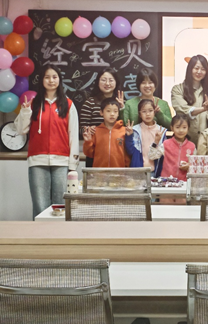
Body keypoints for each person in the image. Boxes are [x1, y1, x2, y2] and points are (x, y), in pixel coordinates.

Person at [14, 64, 79, 219]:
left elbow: (73, 135)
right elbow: (21, 130)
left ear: (59, 79)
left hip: (61, 161)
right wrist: (25, 112)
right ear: (41, 80)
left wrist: (72, 165)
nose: (51, 80)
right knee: (40, 206)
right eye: (47, 77)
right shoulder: (33, 103)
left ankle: (60, 234)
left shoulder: (68, 104)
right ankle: (39, 234)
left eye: (54, 77)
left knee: (60, 205)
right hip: (37, 160)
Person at [80, 68, 124, 167]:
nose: (107, 83)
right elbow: (81, 128)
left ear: (116, 82)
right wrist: (88, 129)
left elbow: (124, 126)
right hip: (94, 150)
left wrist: (122, 109)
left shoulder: (121, 103)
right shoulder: (90, 103)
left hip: (116, 152)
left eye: (111, 80)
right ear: (98, 82)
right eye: (103, 80)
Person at [171, 55, 208, 146]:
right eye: (196, 68)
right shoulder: (178, 89)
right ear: (190, 69)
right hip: (184, 141)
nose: (199, 72)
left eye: (203, 69)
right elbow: (183, 110)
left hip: (205, 142)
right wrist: (203, 109)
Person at [125, 98, 167, 177]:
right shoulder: (135, 130)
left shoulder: (161, 131)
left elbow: (163, 154)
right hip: (139, 171)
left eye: (150, 111)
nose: (147, 114)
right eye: (144, 111)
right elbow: (130, 151)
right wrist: (129, 136)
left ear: (154, 112)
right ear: (139, 114)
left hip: (156, 172)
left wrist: (157, 141)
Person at [82, 97, 129, 168]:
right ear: (101, 112)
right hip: (99, 171)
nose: (112, 114)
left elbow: (127, 154)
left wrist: (127, 169)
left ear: (118, 113)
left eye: (115, 111)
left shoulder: (124, 131)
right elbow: (89, 154)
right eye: (108, 111)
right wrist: (88, 142)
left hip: (119, 171)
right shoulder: (95, 131)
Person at [149, 113, 196, 181]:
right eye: (177, 127)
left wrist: (189, 166)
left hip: (185, 182)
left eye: (184, 127)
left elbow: (196, 166)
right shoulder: (166, 144)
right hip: (166, 182)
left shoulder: (192, 146)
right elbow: (152, 156)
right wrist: (156, 142)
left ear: (188, 128)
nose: (181, 130)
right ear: (172, 128)